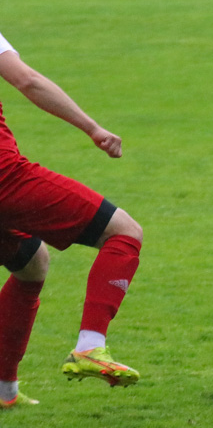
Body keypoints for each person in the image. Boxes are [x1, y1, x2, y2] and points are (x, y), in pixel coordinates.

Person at [0, 30, 143, 410]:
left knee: (31, 263)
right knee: (124, 233)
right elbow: (27, 80)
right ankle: (90, 346)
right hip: (4, 178)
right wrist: (92, 127)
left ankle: (3, 392)